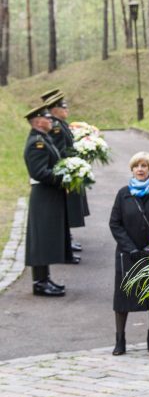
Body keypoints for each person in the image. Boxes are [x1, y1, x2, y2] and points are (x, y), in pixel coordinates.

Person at [108, 151, 149, 355]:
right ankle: (120, 340)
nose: (140, 169)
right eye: (136, 166)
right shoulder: (123, 193)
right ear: (132, 169)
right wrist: (131, 248)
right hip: (128, 255)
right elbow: (115, 223)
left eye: (144, 166)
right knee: (123, 299)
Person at [23, 104, 69, 297]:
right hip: (43, 195)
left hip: (47, 195)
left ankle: (44, 278)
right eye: (47, 118)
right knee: (41, 240)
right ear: (38, 121)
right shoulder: (37, 143)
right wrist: (64, 177)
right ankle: (39, 283)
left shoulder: (43, 138)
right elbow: (39, 172)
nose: (51, 120)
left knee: (45, 238)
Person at [41, 89, 85, 263]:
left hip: (68, 171)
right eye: (62, 106)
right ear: (54, 109)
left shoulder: (61, 124)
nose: (66, 109)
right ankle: (66, 245)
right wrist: (71, 166)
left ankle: (67, 242)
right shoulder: (57, 127)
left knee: (67, 212)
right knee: (65, 211)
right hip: (64, 173)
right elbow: (60, 153)